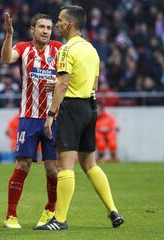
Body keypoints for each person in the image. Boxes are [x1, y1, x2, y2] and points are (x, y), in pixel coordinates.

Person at [36, 5, 124, 230]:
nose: (57, 24)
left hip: (71, 108)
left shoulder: (66, 49)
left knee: (64, 165)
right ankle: (113, 210)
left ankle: (60, 220)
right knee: (89, 163)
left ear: (70, 24)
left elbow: (64, 84)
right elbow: (93, 84)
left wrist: (51, 114)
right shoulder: (91, 50)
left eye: (60, 20)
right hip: (89, 107)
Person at [1, 12, 62, 229]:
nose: (46, 31)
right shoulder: (23, 47)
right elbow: (7, 59)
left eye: (48, 27)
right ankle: (11, 215)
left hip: (53, 118)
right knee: (23, 164)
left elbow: (71, 76)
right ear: (32, 30)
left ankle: (50, 210)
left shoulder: (59, 49)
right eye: (42, 27)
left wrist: (59, 84)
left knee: (52, 169)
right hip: (28, 117)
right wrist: (8, 34)